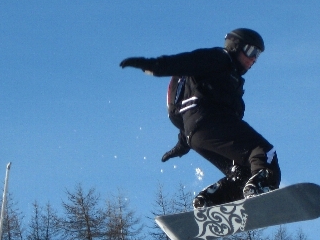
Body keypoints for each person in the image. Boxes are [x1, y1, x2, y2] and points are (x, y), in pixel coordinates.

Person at [120, 28, 281, 210]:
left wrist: (182, 144)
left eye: (258, 55)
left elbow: (191, 112)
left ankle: (209, 201)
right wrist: (152, 65)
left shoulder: (228, 78)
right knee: (264, 152)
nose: (254, 59)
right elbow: (185, 61)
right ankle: (261, 188)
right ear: (235, 46)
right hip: (213, 124)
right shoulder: (218, 58)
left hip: (195, 136)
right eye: (251, 51)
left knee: (243, 173)